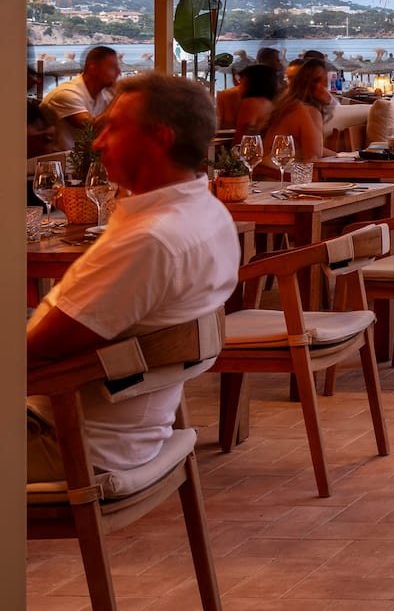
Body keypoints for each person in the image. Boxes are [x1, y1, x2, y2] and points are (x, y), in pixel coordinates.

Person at [26, 73, 239, 481]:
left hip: (64, 439)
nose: (100, 142)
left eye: (114, 129)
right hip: (120, 428)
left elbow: (35, 354)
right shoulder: (208, 214)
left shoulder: (152, 241)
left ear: (159, 138)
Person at [42, 45, 120, 151]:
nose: (119, 72)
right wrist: (120, 96)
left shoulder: (105, 94)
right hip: (54, 162)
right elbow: (91, 129)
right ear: (93, 69)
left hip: (82, 161)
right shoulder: (66, 94)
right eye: (112, 67)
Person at [262, 58, 333, 172]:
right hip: (280, 176)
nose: (329, 89)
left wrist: (342, 156)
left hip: (268, 171)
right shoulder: (308, 111)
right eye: (327, 83)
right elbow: (313, 157)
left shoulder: (289, 104)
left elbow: (310, 147)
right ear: (317, 85)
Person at [215, 63, 280, 140]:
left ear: (251, 83)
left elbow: (241, 137)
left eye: (242, 82)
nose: (239, 87)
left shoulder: (251, 103)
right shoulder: (271, 103)